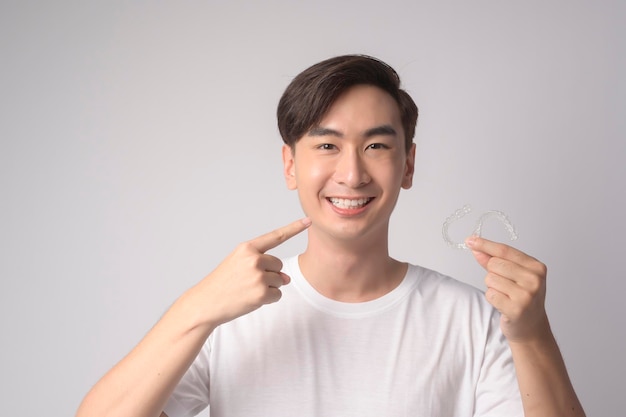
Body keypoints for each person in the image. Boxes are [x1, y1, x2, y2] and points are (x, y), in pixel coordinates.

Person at [76, 55, 585, 417]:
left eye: (376, 146)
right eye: (326, 144)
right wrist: (195, 309)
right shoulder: (226, 314)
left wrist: (533, 334)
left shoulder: (472, 320)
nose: (352, 174)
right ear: (290, 164)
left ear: (408, 164)